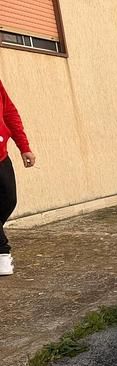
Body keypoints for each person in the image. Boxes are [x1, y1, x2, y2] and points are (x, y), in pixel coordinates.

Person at [0, 79, 35, 276]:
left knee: (8, 201)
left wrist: (24, 147)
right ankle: (2, 252)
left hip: (1, 155)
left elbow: (8, 112)